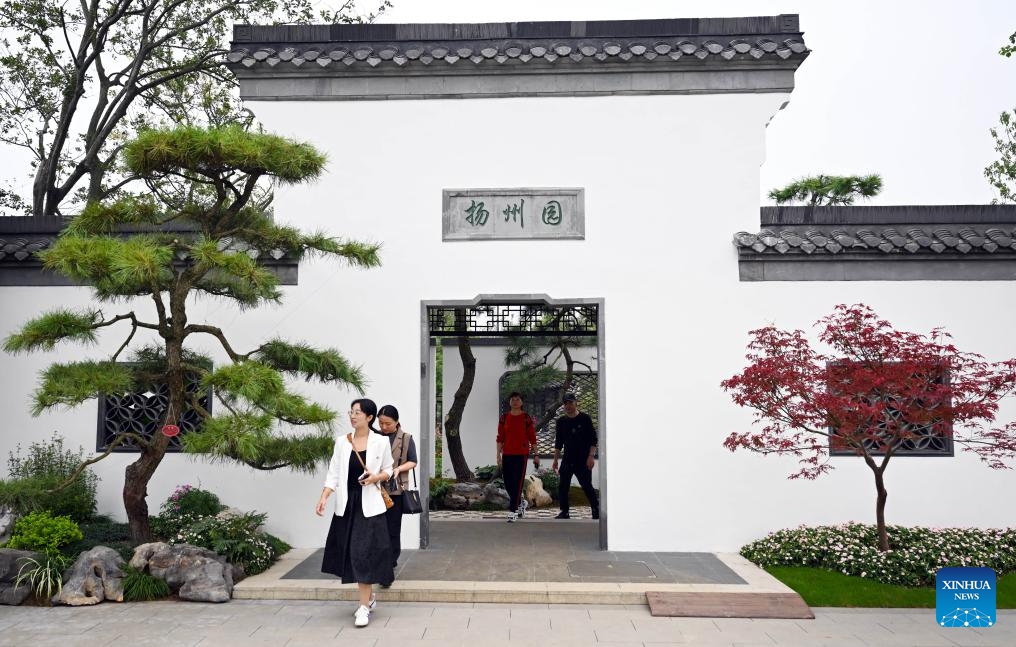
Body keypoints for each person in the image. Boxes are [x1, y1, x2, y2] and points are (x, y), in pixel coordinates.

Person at [316, 398, 394, 628]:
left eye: (358, 412)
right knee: (350, 553)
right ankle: (368, 599)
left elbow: (389, 469)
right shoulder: (342, 442)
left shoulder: (380, 442)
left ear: (369, 417)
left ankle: (362, 608)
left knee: (363, 553)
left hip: (370, 505)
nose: (352, 416)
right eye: (351, 412)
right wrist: (324, 496)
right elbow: (333, 472)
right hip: (348, 504)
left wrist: (376, 477)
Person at [377, 404, 418, 578]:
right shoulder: (375, 437)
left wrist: (399, 468)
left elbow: (413, 461)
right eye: (381, 423)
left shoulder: (406, 438)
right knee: (378, 527)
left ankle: (391, 559)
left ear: (397, 422)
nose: (384, 427)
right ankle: (380, 558)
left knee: (393, 527)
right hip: (376, 489)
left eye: (388, 423)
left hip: (396, 490)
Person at [551, 393, 600, 520]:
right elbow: (558, 442)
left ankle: (595, 509)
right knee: (563, 486)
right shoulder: (561, 421)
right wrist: (555, 460)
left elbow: (593, 440)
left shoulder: (585, 418)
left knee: (586, 486)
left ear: (575, 403)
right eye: (566, 403)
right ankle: (564, 511)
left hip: (583, 459)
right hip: (567, 459)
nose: (568, 406)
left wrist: (591, 457)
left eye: (570, 403)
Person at [496, 391, 540, 522]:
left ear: (521, 402)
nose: (515, 401)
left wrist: (536, 454)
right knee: (508, 483)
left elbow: (532, 438)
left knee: (518, 483)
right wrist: (498, 454)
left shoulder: (526, 418)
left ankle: (513, 511)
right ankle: (521, 503)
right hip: (507, 454)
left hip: (521, 455)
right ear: (509, 402)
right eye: (513, 399)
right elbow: (500, 438)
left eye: (517, 399)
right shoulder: (504, 418)